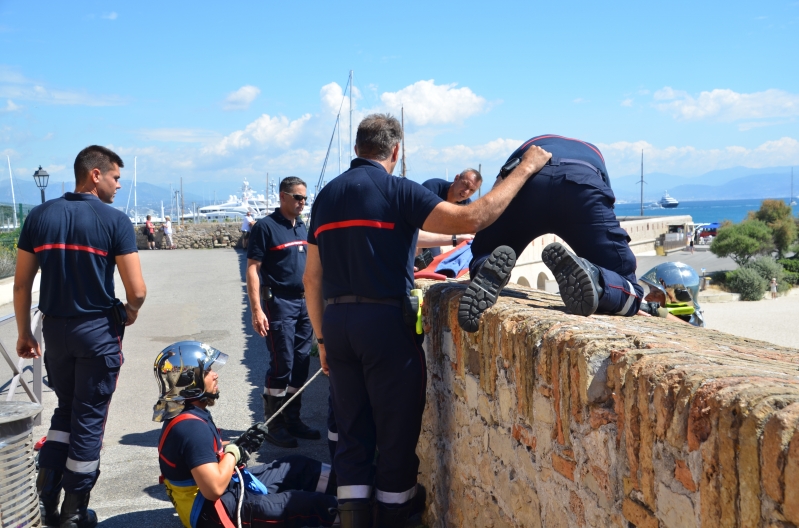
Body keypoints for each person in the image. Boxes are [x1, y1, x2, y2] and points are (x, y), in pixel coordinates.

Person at [303, 113, 551, 528]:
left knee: (352, 434)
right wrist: (527, 167)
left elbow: (312, 277)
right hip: (384, 325)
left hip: (339, 326)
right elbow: (473, 217)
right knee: (396, 433)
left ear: (356, 148)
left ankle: (353, 520)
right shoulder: (398, 190)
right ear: (395, 152)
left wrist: (323, 341)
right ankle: (396, 516)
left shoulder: (326, 196)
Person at [14, 145, 147, 528]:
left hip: (55, 330)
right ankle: (74, 512)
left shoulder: (39, 216)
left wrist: (24, 332)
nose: (119, 185)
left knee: (65, 411)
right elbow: (136, 291)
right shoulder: (114, 221)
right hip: (97, 332)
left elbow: (22, 284)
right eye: (116, 177)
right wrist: (131, 312)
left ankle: (43, 500)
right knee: (89, 418)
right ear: (95, 174)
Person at [458, 134, 644, 333]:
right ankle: (598, 279)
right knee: (625, 282)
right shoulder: (594, 153)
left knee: (485, 251)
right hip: (582, 183)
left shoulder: (531, 144)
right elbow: (606, 207)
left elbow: (500, 184)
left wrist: (489, 234)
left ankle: (484, 268)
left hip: (528, 180)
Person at [153, 341, 338, 528]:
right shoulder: (191, 428)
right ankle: (359, 512)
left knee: (298, 467)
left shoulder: (187, 414)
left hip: (220, 495)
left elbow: (202, 455)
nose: (215, 375)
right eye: (208, 371)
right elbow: (214, 488)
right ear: (189, 381)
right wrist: (235, 452)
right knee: (305, 506)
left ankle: (353, 487)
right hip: (213, 512)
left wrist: (241, 444)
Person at [246, 177, 319, 448]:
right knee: (282, 364)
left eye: (305, 198)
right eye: (298, 197)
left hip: (304, 302)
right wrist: (256, 309)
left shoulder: (302, 227)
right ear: (283, 197)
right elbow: (253, 268)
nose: (302, 203)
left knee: (301, 363)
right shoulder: (266, 227)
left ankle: (292, 419)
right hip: (279, 304)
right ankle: (273, 423)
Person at [420, 170, 483, 257]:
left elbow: (473, 228)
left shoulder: (466, 205)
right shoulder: (431, 188)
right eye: (465, 185)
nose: (466, 192)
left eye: (472, 190)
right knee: (434, 259)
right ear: (456, 178)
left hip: (440, 235)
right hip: (418, 230)